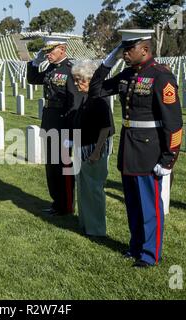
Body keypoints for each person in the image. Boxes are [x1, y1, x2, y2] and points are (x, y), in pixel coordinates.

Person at [89, 29, 183, 268]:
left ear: (145, 49)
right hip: (129, 147)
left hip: (150, 151)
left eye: (128, 50)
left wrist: (168, 158)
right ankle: (136, 246)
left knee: (150, 206)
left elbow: (174, 123)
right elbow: (96, 90)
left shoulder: (161, 76)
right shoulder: (127, 74)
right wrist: (107, 62)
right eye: (122, 50)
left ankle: (150, 254)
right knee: (133, 205)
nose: (125, 55)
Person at [27, 36, 83, 216]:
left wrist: (71, 132)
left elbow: (75, 103)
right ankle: (56, 202)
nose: (47, 54)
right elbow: (33, 79)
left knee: (63, 167)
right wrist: (35, 62)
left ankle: (66, 206)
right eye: (46, 51)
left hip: (63, 123)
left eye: (51, 51)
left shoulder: (71, 70)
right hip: (50, 120)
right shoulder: (52, 68)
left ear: (62, 50)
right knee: (51, 166)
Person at [71, 60, 115, 237]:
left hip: (94, 148)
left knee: (94, 189)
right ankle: (86, 224)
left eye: (79, 80)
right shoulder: (87, 98)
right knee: (83, 188)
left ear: (89, 79)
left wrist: (97, 152)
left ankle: (96, 229)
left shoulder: (99, 99)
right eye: (75, 80)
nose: (76, 84)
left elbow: (105, 128)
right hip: (83, 146)